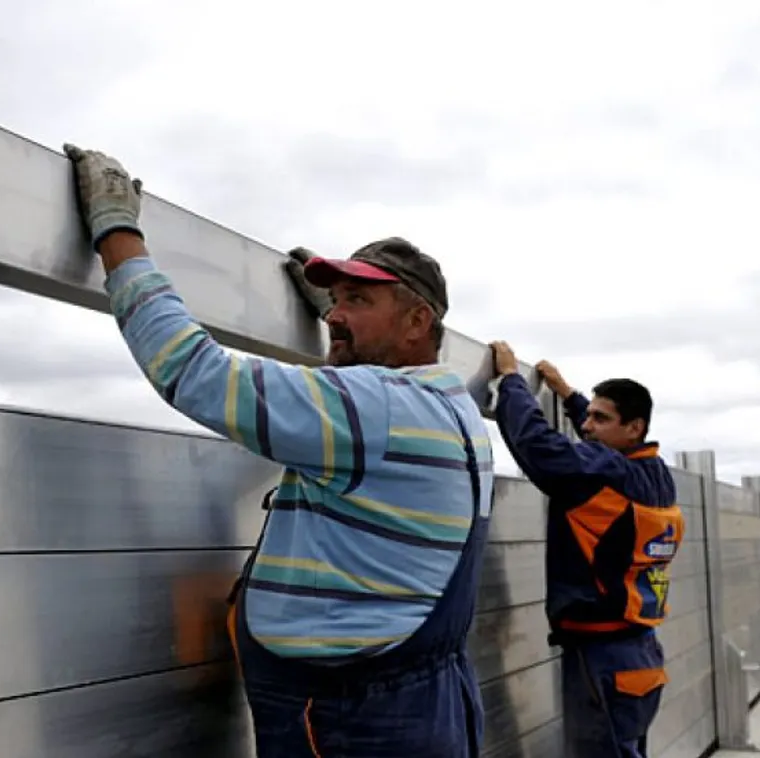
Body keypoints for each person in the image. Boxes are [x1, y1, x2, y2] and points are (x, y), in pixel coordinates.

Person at [62, 143, 495, 757]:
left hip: (348, 723)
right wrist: (347, 327)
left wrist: (117, 231)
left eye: (359, 302)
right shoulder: (453, 409)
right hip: (420, 703)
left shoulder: (379, 408)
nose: (338, 315)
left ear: (417, 322)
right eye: (335, 301)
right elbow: (357, 420)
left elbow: (193, 371)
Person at [487, 341, 683, 758]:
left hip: (603, 660)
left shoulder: (603, 476)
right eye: (588, 416)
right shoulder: (655, 475)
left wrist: (510, 383)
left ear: (635, 428)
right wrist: (569, 395)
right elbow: (599, 452)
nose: (588, 425)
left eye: (600, 417)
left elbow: (540, 448)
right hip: (640, 654)